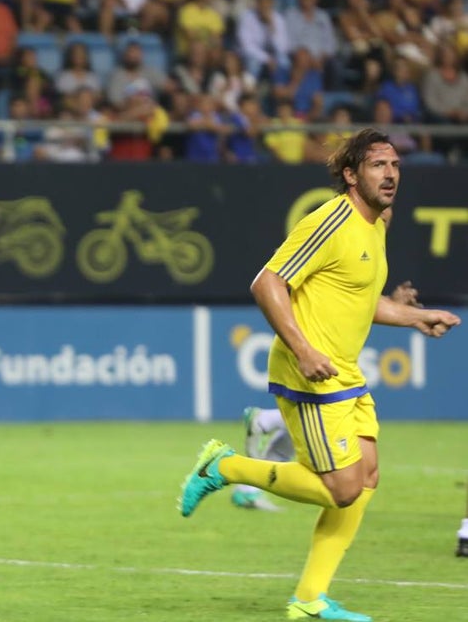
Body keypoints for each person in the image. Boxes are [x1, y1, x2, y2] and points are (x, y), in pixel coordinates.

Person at [179, 129, 461, 622]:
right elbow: (267, 282)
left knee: (366, 476)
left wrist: (414, 315)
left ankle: (309, 599)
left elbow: (359, 300)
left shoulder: (378, 222)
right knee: (343, 488)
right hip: (309, 369)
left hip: (344, 370)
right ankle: (224, 467)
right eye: (377, 165)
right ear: (351, 175)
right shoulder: (331, 220)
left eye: (394, 164)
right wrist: (303, 349)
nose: (390, 173)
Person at [235, 279, 422, 513]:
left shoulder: (364, 251)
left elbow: (346, 299)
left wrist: (392, 306)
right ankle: (233, 463)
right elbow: (287, 286)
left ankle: (249, 482)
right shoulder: (321, 247)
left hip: (329, 359)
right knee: (342, 482)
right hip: (316, 359)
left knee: (349, 465)